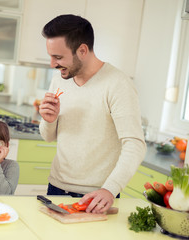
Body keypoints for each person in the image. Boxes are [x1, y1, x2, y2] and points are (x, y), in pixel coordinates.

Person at [38, 14, 146, 213]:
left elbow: (135, 144)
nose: (52, 64)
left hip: (97, 196)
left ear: (82, 50)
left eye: (58, 57)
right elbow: (47, 137)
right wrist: (49, 120)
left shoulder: (118, 84)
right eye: (51, 56)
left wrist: (110, 189)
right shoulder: (60, 79)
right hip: (56, 187)